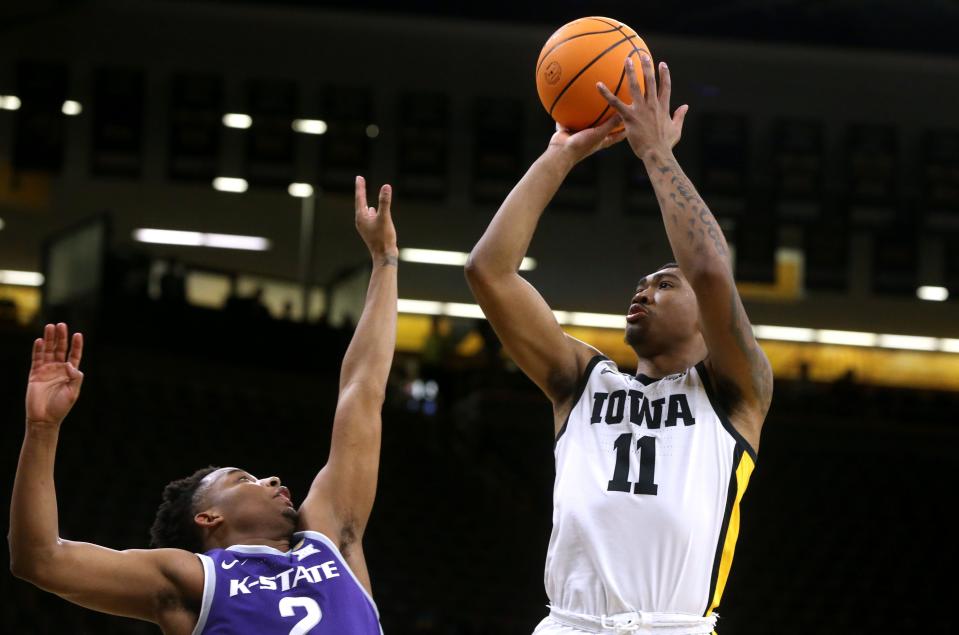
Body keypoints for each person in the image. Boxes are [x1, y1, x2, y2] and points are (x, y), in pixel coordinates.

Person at [9, 176, 398, 634]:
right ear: (208, 516)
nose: (271, 478)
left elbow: (362, 392)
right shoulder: (191, 579)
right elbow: (40, 559)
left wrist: (385, 260)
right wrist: (42, 429)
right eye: (243, 479)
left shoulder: (331, 540)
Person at [465, 54, 772, 635]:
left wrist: (656, 152)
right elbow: (489, 271)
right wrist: (559, 157)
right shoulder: (584, 379)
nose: (644, 291)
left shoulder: (735, 391)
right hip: (568, 625)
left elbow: (709, 267)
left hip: (670, 627)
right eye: (641, 284)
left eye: (663, 284)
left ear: (707, 320)